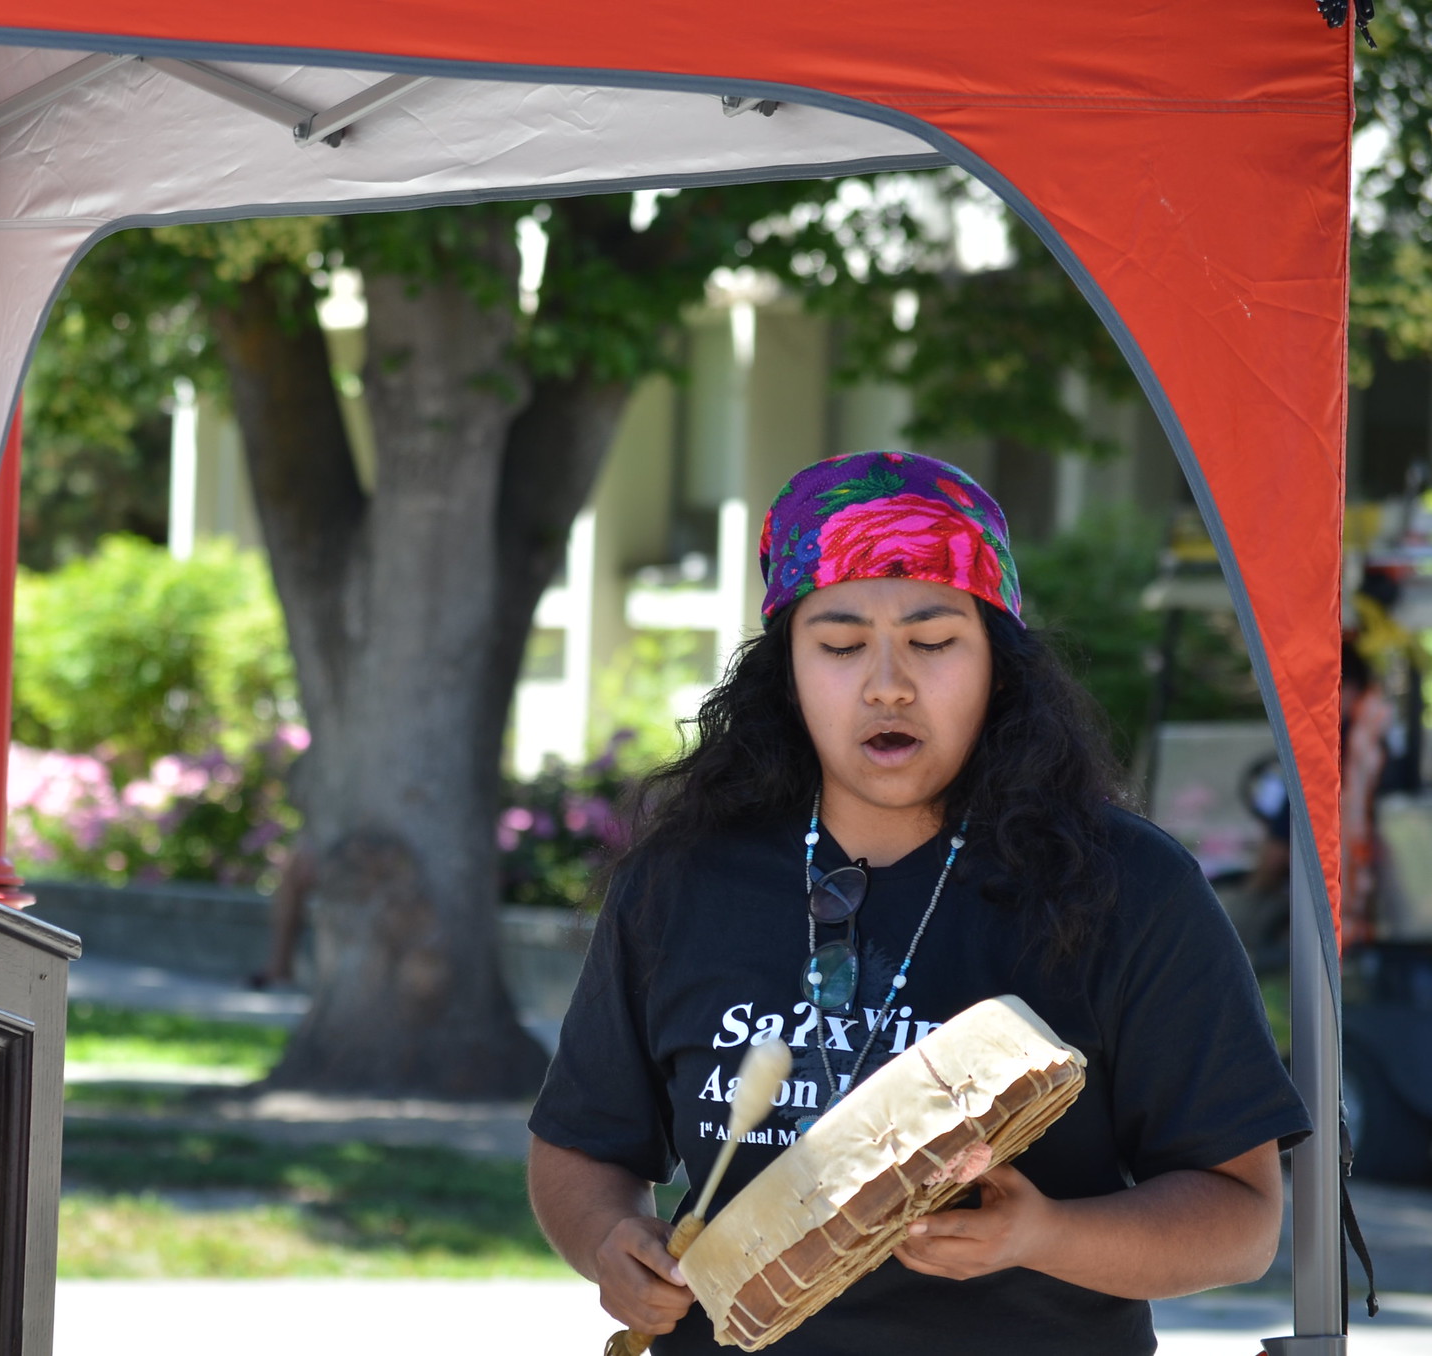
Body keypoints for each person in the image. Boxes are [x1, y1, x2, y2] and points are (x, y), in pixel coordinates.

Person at [527, 451, 1309, 1354]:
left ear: (999, 668)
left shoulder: (1127, 887)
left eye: (933, 641)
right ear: (785, 671)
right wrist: (608, 1242)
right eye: (840, 644)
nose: (887, 683)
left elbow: (1239, 1219)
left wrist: (1044, 1233)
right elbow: (583, 1148)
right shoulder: (682, 882)